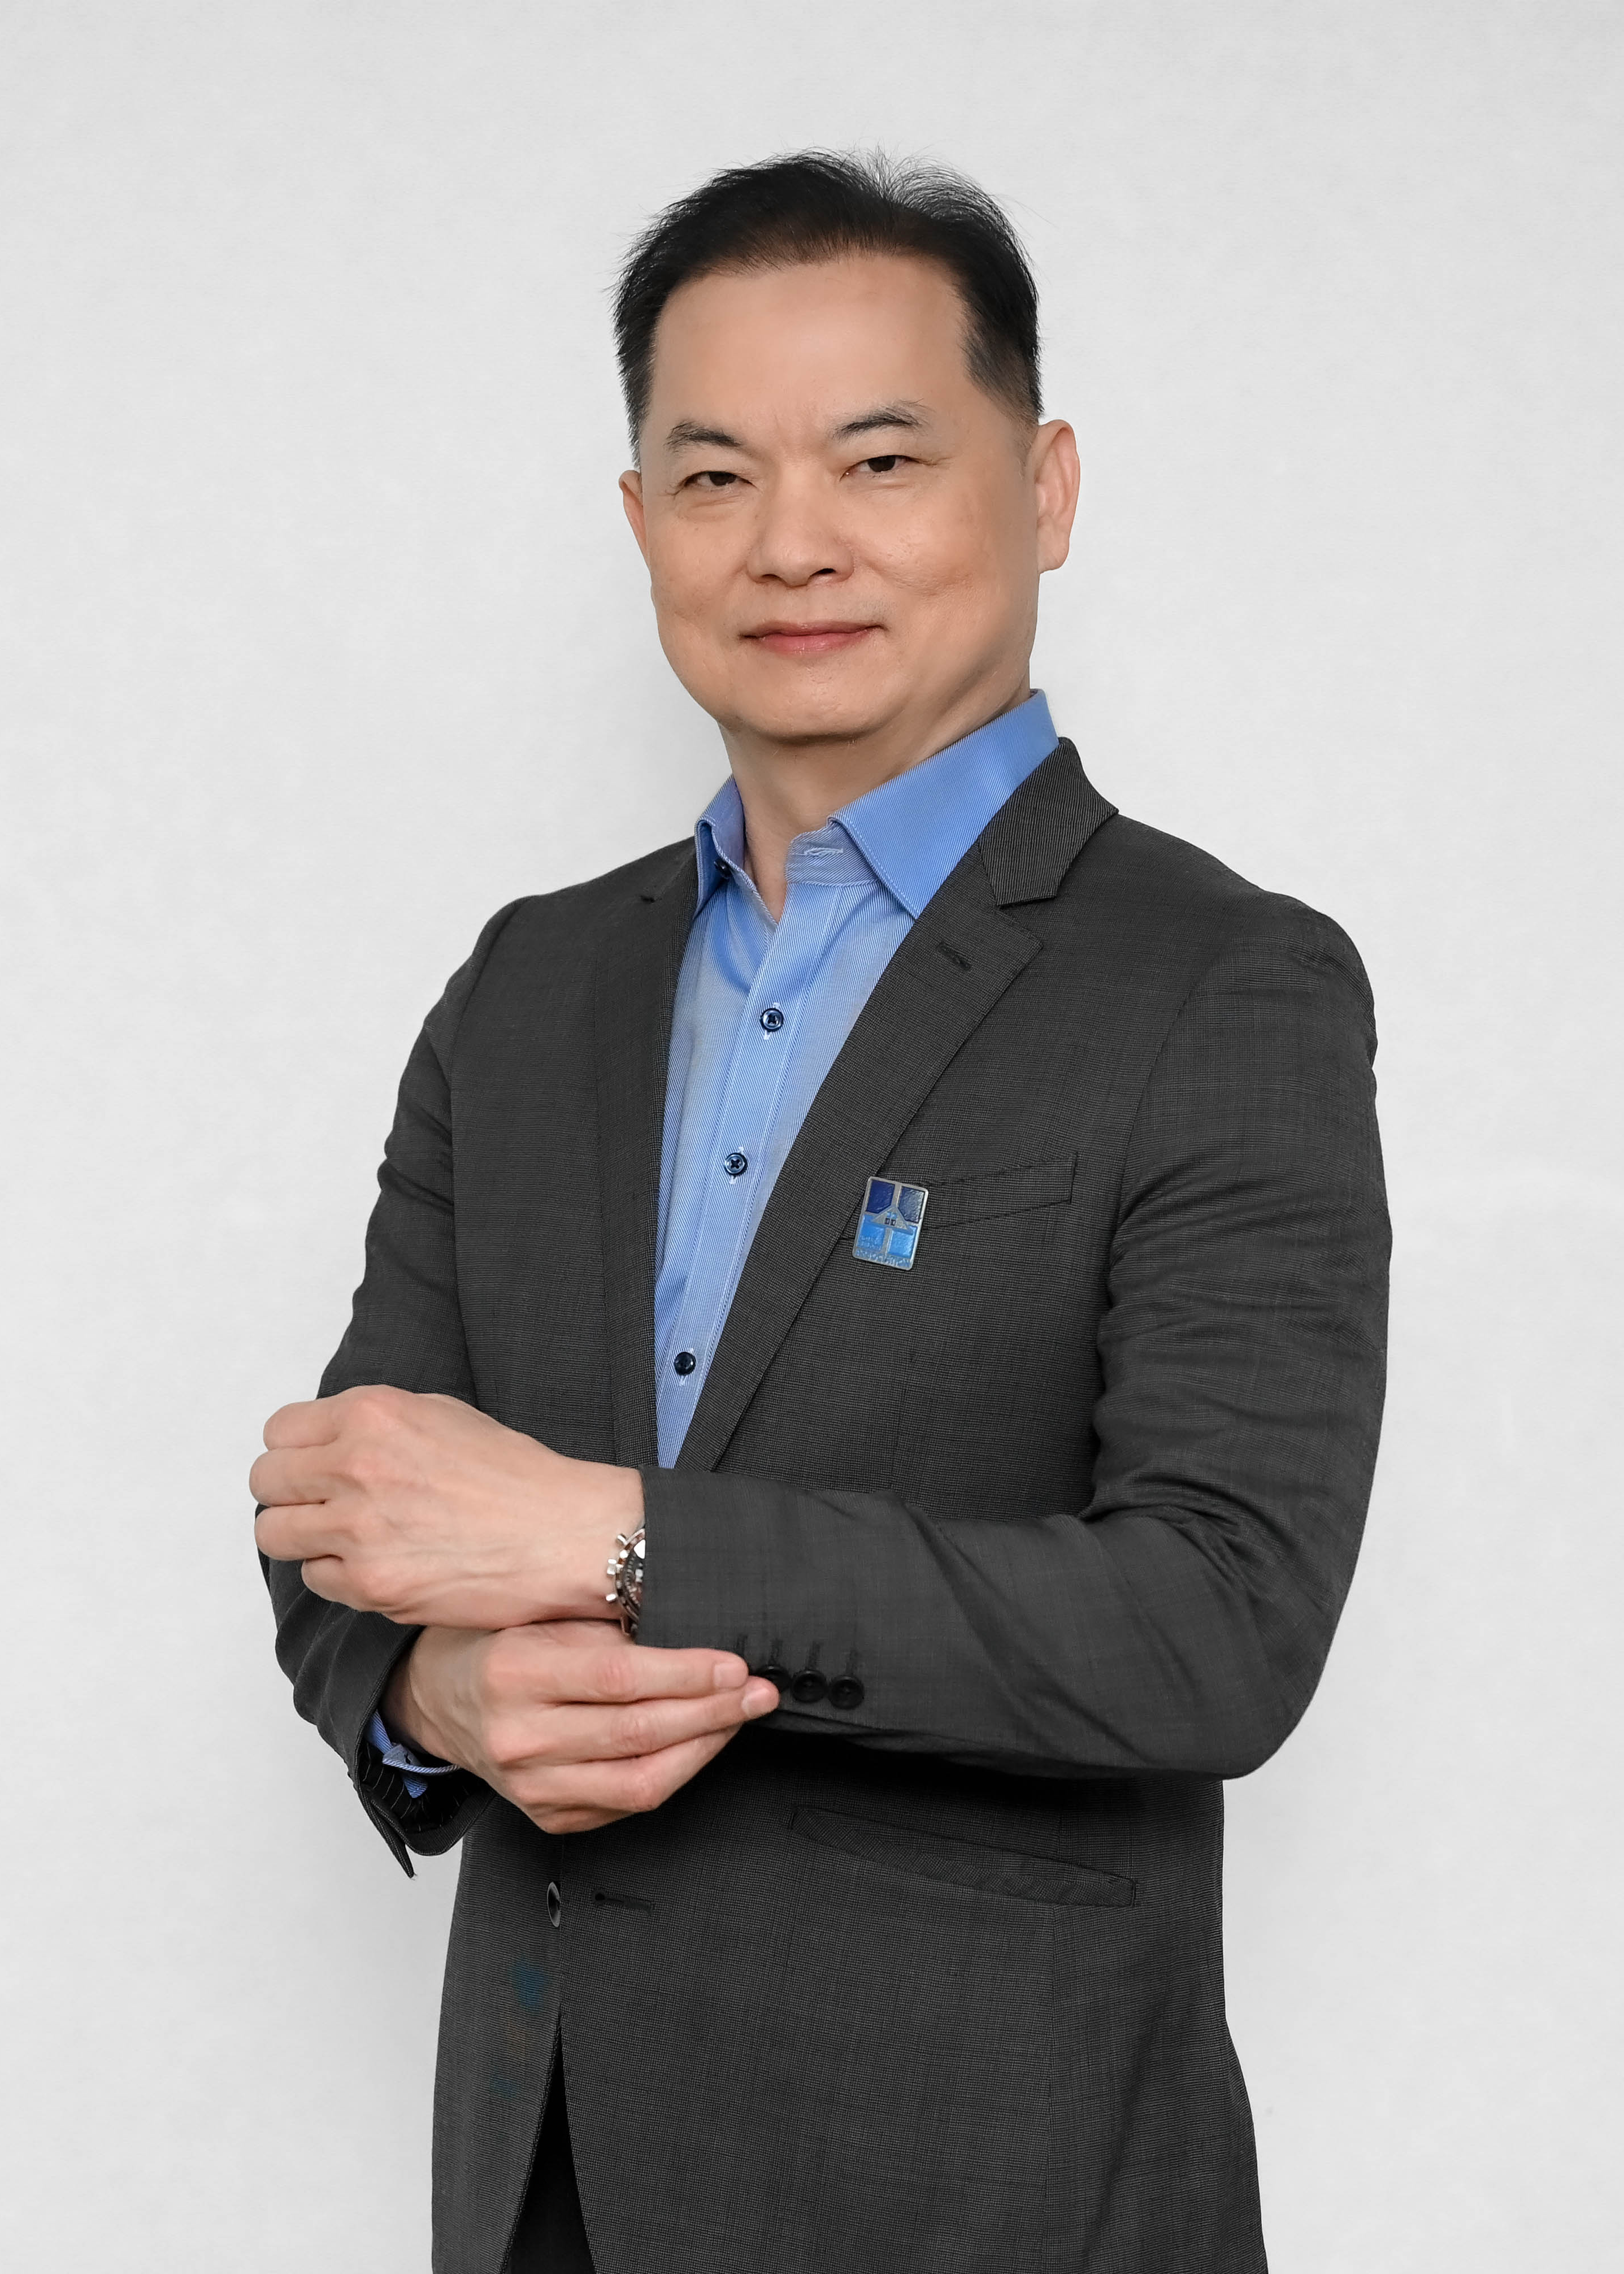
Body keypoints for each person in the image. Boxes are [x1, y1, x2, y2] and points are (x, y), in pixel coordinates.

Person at [251, 150, 1389, 2274]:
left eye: (880, 459)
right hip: (547, 2179)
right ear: (640, 525)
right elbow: (356, 1515)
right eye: (715, 478)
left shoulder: (1224, 983)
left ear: (1043, 488)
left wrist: (623, 1544)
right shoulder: (531, 988)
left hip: (991, 2194)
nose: (793, 543)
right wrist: (431, 1699)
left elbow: (1220, 1623)